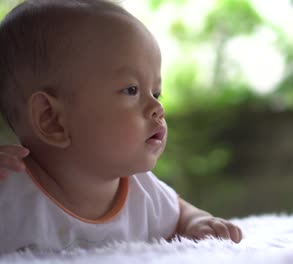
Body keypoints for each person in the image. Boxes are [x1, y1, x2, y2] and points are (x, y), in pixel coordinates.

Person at [0, 0, 242, 253]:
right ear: (52, 119)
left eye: (156, 93)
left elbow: (177, 211)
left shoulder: (142, 190)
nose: (158, 109)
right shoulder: (10, 194)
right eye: (131, 90)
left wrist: (196, 221)